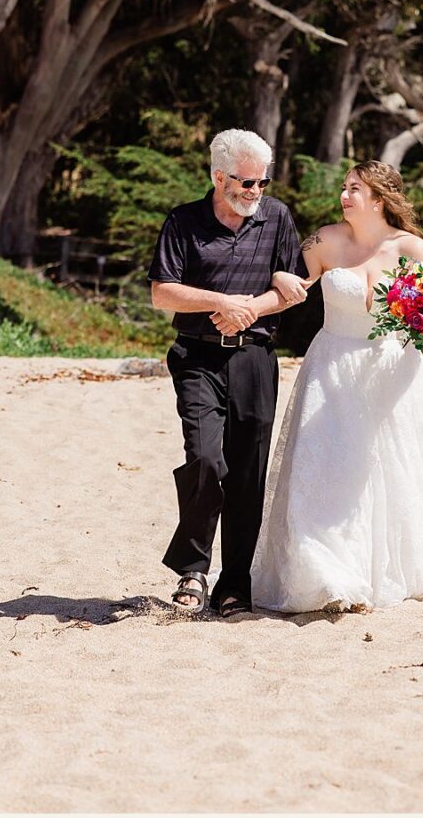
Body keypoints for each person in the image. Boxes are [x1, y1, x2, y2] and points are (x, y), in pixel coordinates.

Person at [249, 161, 423, 613]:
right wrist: (259, 297)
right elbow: (288, 284)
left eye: (355, 188)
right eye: (344, 187)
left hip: (393, 372)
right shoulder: (325, 240)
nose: (344, 194)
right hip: (331, 367)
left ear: (378, 198)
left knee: (386, 471)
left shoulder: (411, 247)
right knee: (328, 469)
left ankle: (384, 566)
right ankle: (323, 570)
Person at [150, 129, 304, 619]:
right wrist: (221, 303)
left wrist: (253, 308)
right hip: (197, 357)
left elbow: (294, 287)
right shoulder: (183, 222)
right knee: (205, 460)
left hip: (256, 358)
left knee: (247, 474)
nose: (255, 192)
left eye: (262, 182)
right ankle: (193, 567)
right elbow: (162, 292)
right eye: (245, 182)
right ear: (219, 177)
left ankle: (233, 583)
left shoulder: (277, 217)